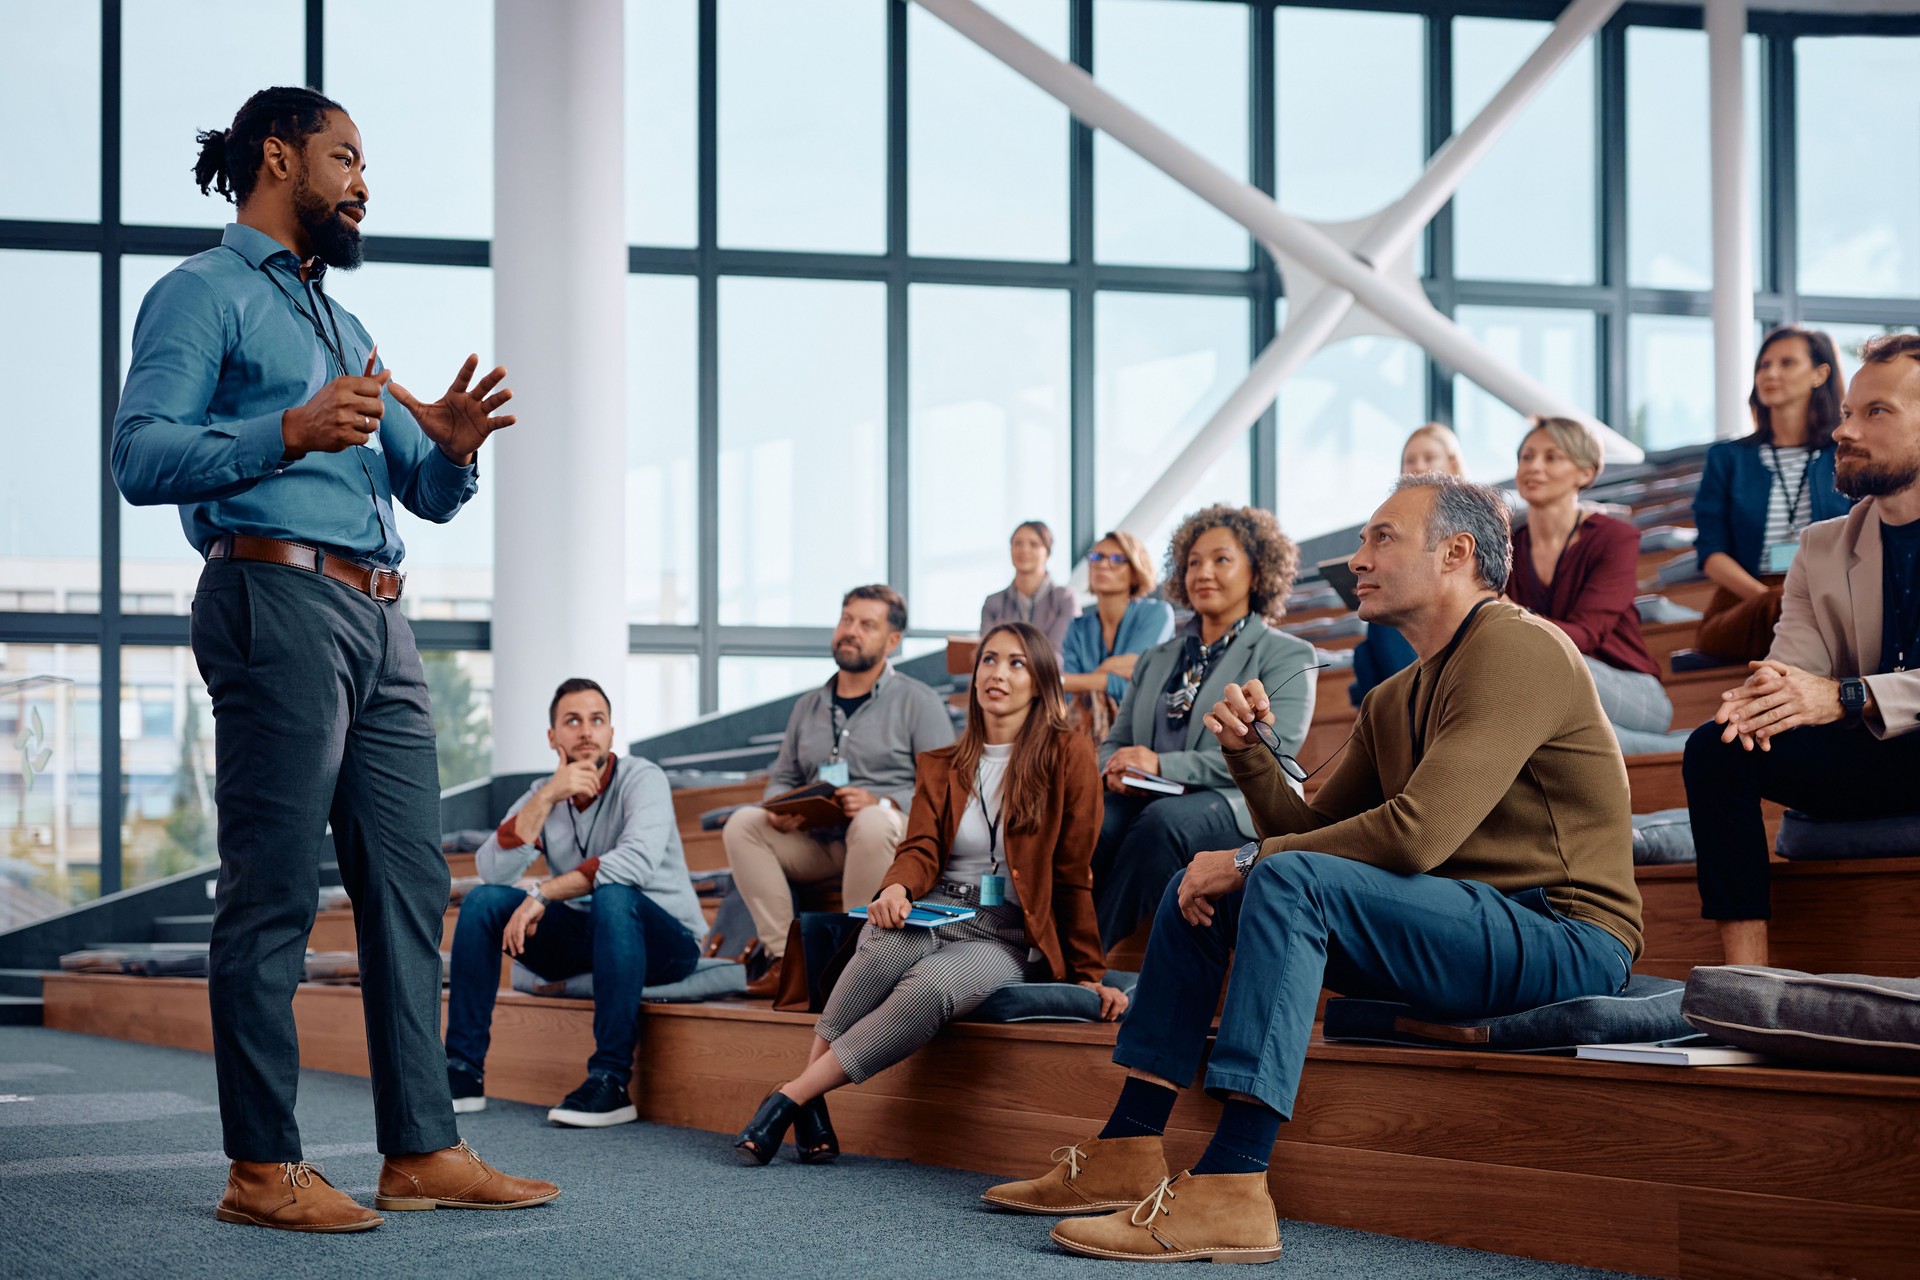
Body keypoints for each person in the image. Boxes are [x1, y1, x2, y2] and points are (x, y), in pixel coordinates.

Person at [982, 475, 1641, 1264]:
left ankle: (1234, 1183)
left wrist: (1249, 855)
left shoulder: (1519, 646)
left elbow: (1414, 835)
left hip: (1564, 935)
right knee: (1203, 883)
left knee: (1271, 874)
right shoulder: (1397, 695)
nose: (1356, 559)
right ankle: (1129, 1142)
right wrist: (1252, 760)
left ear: (1456, 554)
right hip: (1458, 919)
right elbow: (1315, 832)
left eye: (1380, 539)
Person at [110, 87, 553, 1232]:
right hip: (273, 593)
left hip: (380, 616)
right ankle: (262, 1167)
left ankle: (422, 1147)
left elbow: (426, 482)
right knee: (271, 891)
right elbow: (141, 452)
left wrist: (452, 453)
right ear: (279, 158)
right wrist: (286, 432)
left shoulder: (347, 330)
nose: (364, 182)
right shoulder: (198, 294)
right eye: (346, 158)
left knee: (409, 884)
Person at [733, 623, 1128, 1163]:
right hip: (936, 905)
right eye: (990, 660)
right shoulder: (942, 763)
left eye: (1016, 663)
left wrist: (1087, 974)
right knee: (877, 951)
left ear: (1039, 682)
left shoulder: (1069, 753)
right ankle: (807, 1102)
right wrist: (896, 886)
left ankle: (791, 1096)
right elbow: (919, 846)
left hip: (1006, 931)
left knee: (930, 987)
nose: (998, 673)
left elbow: (1071, 872)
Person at [1683, 333, 1920, 967]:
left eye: (1877, 412)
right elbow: (1793, 673)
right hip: (1874, 757)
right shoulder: (1822, 547)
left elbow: (1831, 695)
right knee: (1719, 744)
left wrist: (1844, 696)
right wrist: (1759, 702)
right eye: (1848, 412)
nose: (1845, 430)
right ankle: (1746, 983)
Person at [444, 679, 706, 1128]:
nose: (586, 731)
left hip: (666, 941)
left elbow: (634, 864)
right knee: (484, 902)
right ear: (553, 738)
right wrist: (547, 797)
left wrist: (542, 893)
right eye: (572, 721)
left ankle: (610, 1080)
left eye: (596, 720)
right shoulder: (545, 793)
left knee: (614, 892)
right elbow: (493, 870)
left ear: (610, 732)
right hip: (593, 939)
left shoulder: (643, 778)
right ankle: (462, 1071)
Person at [1092, 505, 1316, 952]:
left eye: (1221, 559)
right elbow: (1115, 742)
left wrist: (1160, 764)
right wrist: (1113, 769)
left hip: (1239, 805)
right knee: (1092, 816)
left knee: (1162, 824)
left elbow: (1274, 752)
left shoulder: (1289, 654)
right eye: (1193, 562)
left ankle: (1087, 961)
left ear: (1257, 573)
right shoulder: (1157, 659)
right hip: (1148, 795)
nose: (1203, 572)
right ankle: (1044, 945)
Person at [725, 585, 954, 995]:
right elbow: (783, 775)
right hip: (820, 840)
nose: (851, 631)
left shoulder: (918, 702)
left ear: (892, 640)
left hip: (887, 834)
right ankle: (784, 960)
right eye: (847, 620)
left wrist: (881, 800)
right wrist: (781, 806)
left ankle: (855, 965)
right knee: (743, 823)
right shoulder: (808, 706)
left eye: (867, 624)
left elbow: (943, 789)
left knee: (869, 820)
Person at [1508, 416, 1681, 756]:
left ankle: (1683, 747)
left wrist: (1507, 613)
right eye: (1526, 457)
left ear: (1585, 473)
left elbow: (1585, 634)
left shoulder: (1614, 538)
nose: (1533, 467)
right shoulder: (1508, 548)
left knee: (1532, 661)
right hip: (1555, 693)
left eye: (1551, 457)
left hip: (1635, 692)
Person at [1692, 326, 1854, 663]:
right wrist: (1771, 599)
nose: (1770, 373)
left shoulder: (1845, 454)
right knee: (1805, 619)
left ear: (1819, 374)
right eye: (1764, 365)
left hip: (1828, 592)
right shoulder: (1727, 458)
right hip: (1746, 600)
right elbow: (1711, 552)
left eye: (1786, 363)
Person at [1350, 424, 1464, 705]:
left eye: (1428, 458)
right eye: (1409, 461)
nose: (1418, 467)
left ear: (1452, 463)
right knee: (1373, 635)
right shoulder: (1390, 519)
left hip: (1451, 615)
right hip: (1399, 624)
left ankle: (1418, 704)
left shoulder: (1474, 520)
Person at [1060, 530, 1175, 742]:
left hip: (1146, 732)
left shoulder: (1157, 613)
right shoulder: (1076, 628)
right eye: (1097, 557)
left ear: (1134, 571)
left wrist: (1082, 681)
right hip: (1086, 733)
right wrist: (1107, 673)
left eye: (1116, 559)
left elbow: (1140, 685)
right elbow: (1068, 693)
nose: (1103, 565)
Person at [980, 519, 1081, 654]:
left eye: (1034, 544)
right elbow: (988, 652)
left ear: (1047, 553)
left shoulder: (1065, 598)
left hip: (1050, 674)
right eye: (1017, 543)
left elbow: (1060, 652)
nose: (1024, 550)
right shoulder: (993, 602)